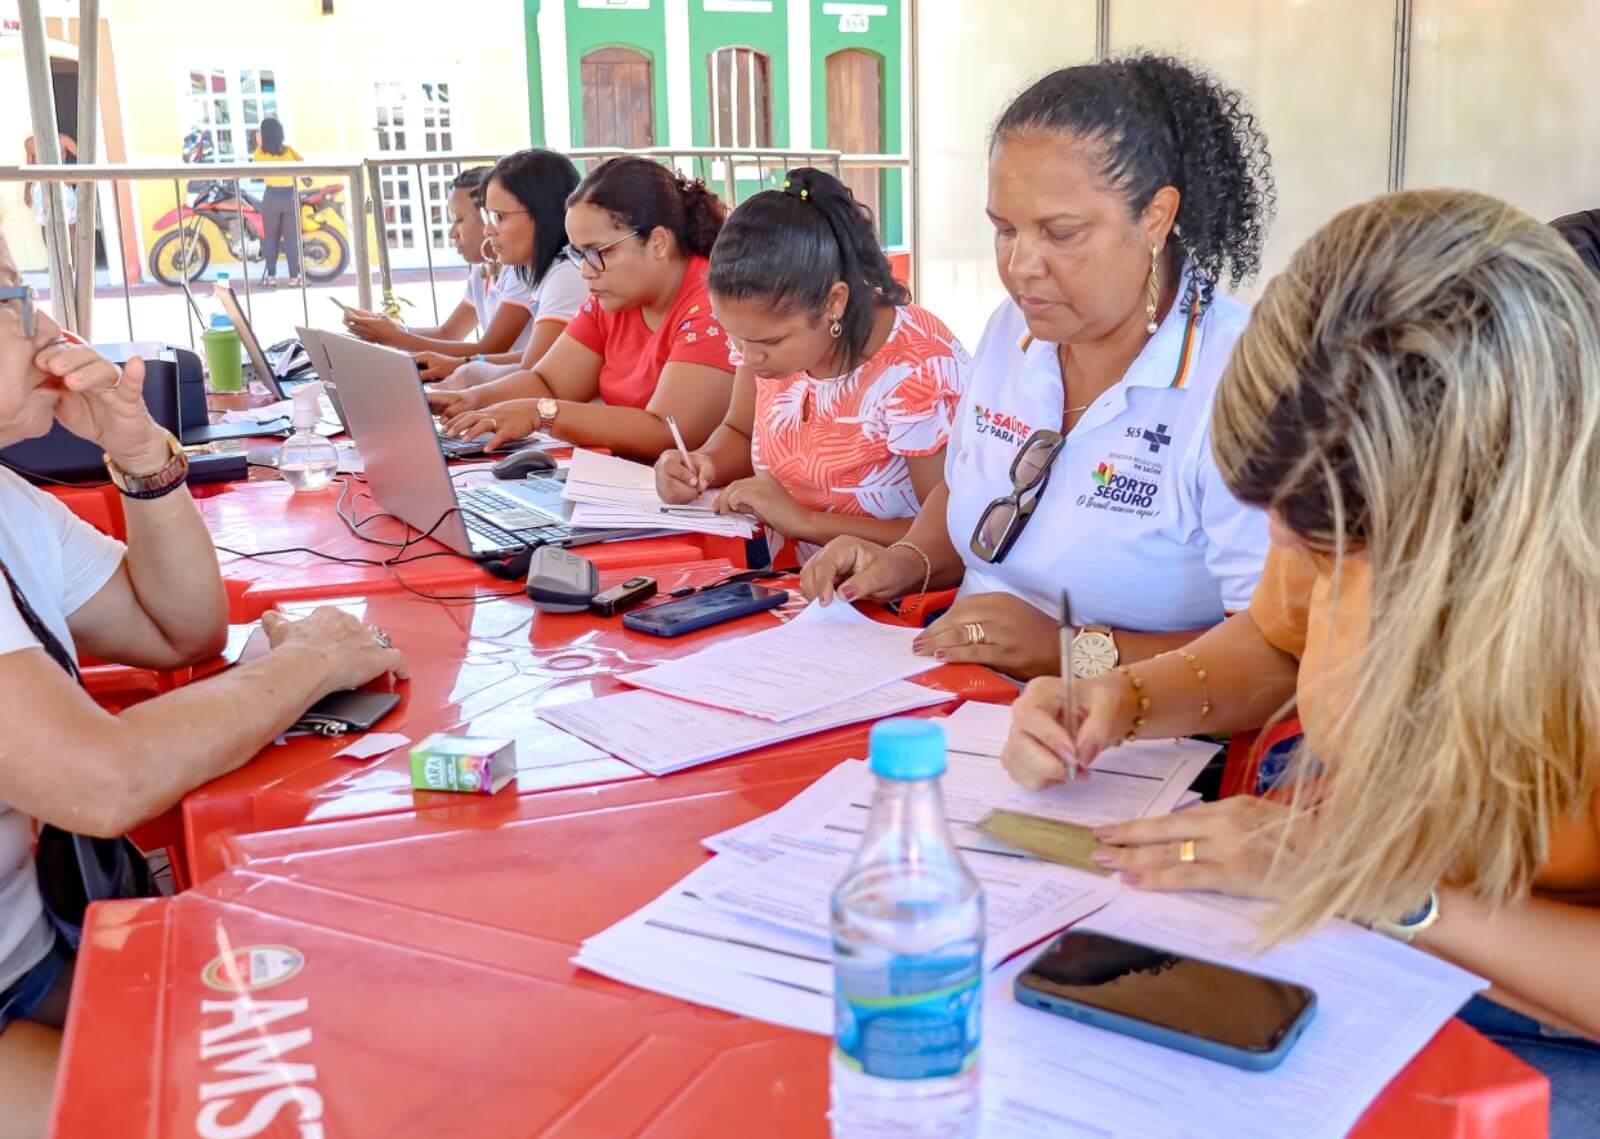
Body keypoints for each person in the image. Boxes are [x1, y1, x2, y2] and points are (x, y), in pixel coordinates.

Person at [1001, 189, 1600, 1136]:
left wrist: (1374, 884)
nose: (1296, 553)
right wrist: (1126, 695)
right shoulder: (1341, 465)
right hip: (1363, 944)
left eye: (1343, 550)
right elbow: (1277, 640)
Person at [0, 231, 409, 1137]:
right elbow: (101, 781)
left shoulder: (9, 501)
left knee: (366, 1038)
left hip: (38, 953)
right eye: (14, 297)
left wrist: (140, 452)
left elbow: (178, 628)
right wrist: (308, 663)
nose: (47, 329)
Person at [801, 55, 1275, 680]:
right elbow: (970, 487)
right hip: (955, 689)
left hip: (1134, 732)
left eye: (1061, 232)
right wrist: (905, 559)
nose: (1022, 266)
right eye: (1004, 230)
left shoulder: (1245, 381)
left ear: (1156, 218)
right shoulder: (1014, 326)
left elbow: (1275, 651)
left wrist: (1071, 651)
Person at [654, 167, 970, 561]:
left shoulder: (916, 366)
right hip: (794, 585)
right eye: (735, 336)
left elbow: (947, 538)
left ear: (834, 302)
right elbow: (738, 429)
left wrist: (805, 522)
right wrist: (701, 465)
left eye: (770, 341)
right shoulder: (763, 342)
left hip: (894, 603)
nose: (748, 357)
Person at [433, 155, 735, 462]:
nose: (586, 271)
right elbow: (548, 382)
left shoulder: (712, 305)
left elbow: (665, 433)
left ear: (658, 242)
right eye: (580, 253)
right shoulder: (614, 297)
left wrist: (542, 413)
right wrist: (469, 399)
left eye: (598, 251)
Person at [346, 151, 588, 381]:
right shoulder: (537, 271)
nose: (489, 229)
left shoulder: (564, 274)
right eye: (488, 217)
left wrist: (460, 368)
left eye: (499, 217)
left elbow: (527, 367)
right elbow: (529, 359)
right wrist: (397, 333)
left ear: (543, 213)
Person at [252, 117, 306, 287]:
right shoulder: (289, 150)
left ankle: (271, 277)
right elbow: (304, 166)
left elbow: (257, 176)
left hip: (271, 196)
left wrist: (259, 145)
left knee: (271, 239)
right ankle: (294, 278)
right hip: (290, 194)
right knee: (291, 239)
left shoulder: (260, 154)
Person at [22, 134, 80, 252]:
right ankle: (53, 260)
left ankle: (74, 262)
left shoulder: (64, 140)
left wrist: (72, 178)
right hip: (41, 187)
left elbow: (84, 158)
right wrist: (27, 191)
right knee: (46, 224)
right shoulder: (30, 142)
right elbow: (30, 169)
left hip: (62, 184)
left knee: (71, 224)